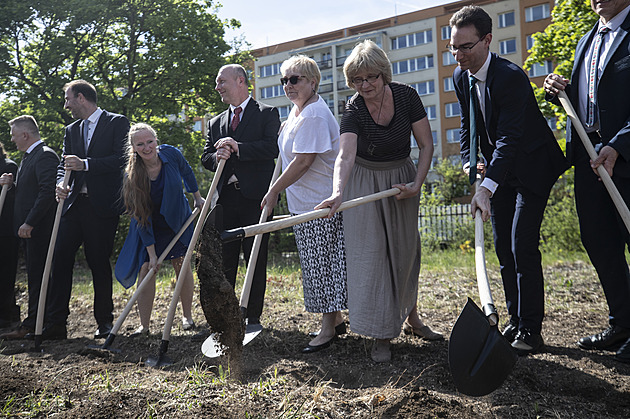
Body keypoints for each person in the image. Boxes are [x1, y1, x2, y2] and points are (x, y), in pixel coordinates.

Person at [449, 6, 569, 355]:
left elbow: (509, 139)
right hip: (498, 170)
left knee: (521, 246)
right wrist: (469, 162)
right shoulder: (461, 77)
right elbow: (468, 126)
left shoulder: (510, 77)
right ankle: (515, 320)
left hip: (531, 167)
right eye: (453, 48)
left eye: (466, 47)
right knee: (503, 248)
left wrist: (486, 189)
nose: (458, 55)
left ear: (487, 40)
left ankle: (531, 330)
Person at [316, 40, 441, 363]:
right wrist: (337, 191)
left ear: (384, 74)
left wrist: (416, 184)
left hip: (400, 179)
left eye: (371, 77)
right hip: (363, 181)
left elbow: (426, 145)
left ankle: (411, 318)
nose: (365, 85)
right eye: (358, 79)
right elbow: (345, 155)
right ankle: (381, 334)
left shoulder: (406, 96)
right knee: (370, 256)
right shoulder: (354, 108)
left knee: (405, 251)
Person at [544, 0, 630, 363]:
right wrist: (556, 88)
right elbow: (585, 99)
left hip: (624, 156)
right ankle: (622, 323)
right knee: (599, 241)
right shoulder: (586, 40)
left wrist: (619, 145)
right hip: (588, 157)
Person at [260, 55, 347, 353]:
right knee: (315, 265)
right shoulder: (297, 113)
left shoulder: (313, 115)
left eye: (294, 79)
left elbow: (303, 162)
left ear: (312, 81)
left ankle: (327, 329)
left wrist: (273, 191)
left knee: (321, 266)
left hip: (318, 205)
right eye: (284, 80)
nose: (288, 85)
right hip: (304, 205)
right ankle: (333, 321)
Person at [40, 80, 129, 340]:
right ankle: (56, 323)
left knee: (98, 262)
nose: (66, 105)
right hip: (73, 206)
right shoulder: (71, 130)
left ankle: (104, 323)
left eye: (68, 99)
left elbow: (122, 159)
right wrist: (60, 183)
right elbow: (64, 164)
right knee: (60, 259)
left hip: (101, 207)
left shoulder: (117, 122)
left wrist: (86, 165)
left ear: (80, 97)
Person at [201, 64, 280, 328]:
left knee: (255, 258)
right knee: (225, 261)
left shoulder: (267, 113)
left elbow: (272, 148)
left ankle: (253, 317)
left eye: (221, 81)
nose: (217, 87)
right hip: (226, 201)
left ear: (240, 81)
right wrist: (217, 156)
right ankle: (228, 317)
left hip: (256, 199)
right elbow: (206, 158)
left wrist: (239, 147)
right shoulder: (215, 122)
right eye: (217, 82)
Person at [114, 123, 204, 336]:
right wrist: (153, 254)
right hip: (149, 225)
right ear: (133, 148)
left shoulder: (171, 154)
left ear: (156, 141)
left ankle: (187, 317)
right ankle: (144, 326)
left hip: (176, 220)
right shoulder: (132, 176)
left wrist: (197, 196)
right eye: (140, 144)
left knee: (181, 264)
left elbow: (187, 171)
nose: (147, 147)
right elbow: (141, 217)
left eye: (150, 141)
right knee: (146, 270)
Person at [0, 116, 59, 339]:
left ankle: (37, 324)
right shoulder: (30, 156)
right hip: (29, 230)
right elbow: (30, 191)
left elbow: (46, 193)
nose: (12, 139)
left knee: (40, 277)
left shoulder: (44, 155)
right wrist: (12, 184)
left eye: (14, 135)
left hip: (39, 229)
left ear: (25, 135)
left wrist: (30, 222)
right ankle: (34, 322)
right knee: (35, 276)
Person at [0, 142, 19, 330]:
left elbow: (16, 195)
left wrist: (8, 185)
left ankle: (6, 315)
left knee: (5, 272)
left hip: (5, 231)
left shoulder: (8, 166)